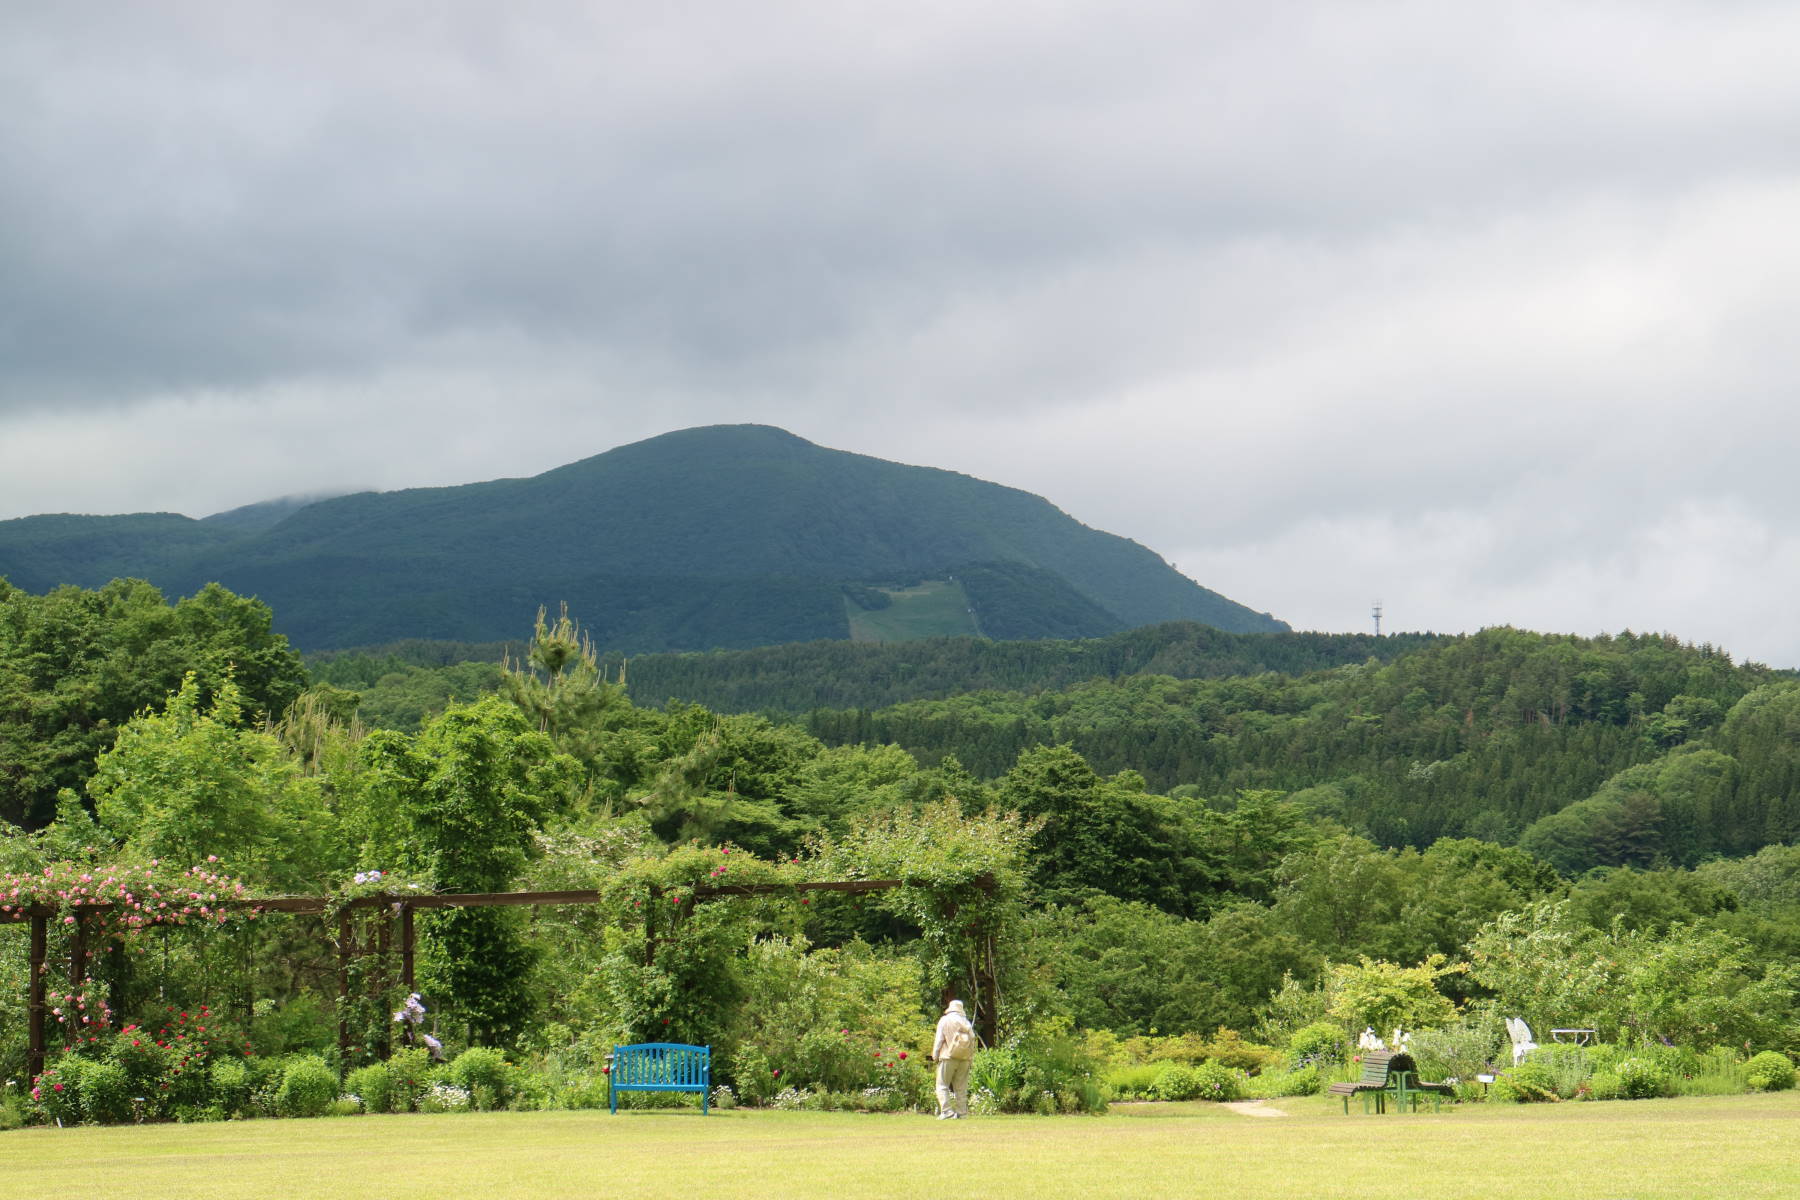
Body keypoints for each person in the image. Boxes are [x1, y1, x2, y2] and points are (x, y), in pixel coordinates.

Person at [931, 998, 977, 1119]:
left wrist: (935, 1055)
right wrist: (971, 1057)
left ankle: (946, 1111)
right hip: (965, 1058)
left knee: (942, 1085)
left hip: (948, 1056)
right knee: (961, 1087)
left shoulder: (945, 1020)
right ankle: (962, 1113)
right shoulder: (966, 1021)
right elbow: (972, 1040)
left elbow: (939, 1039)